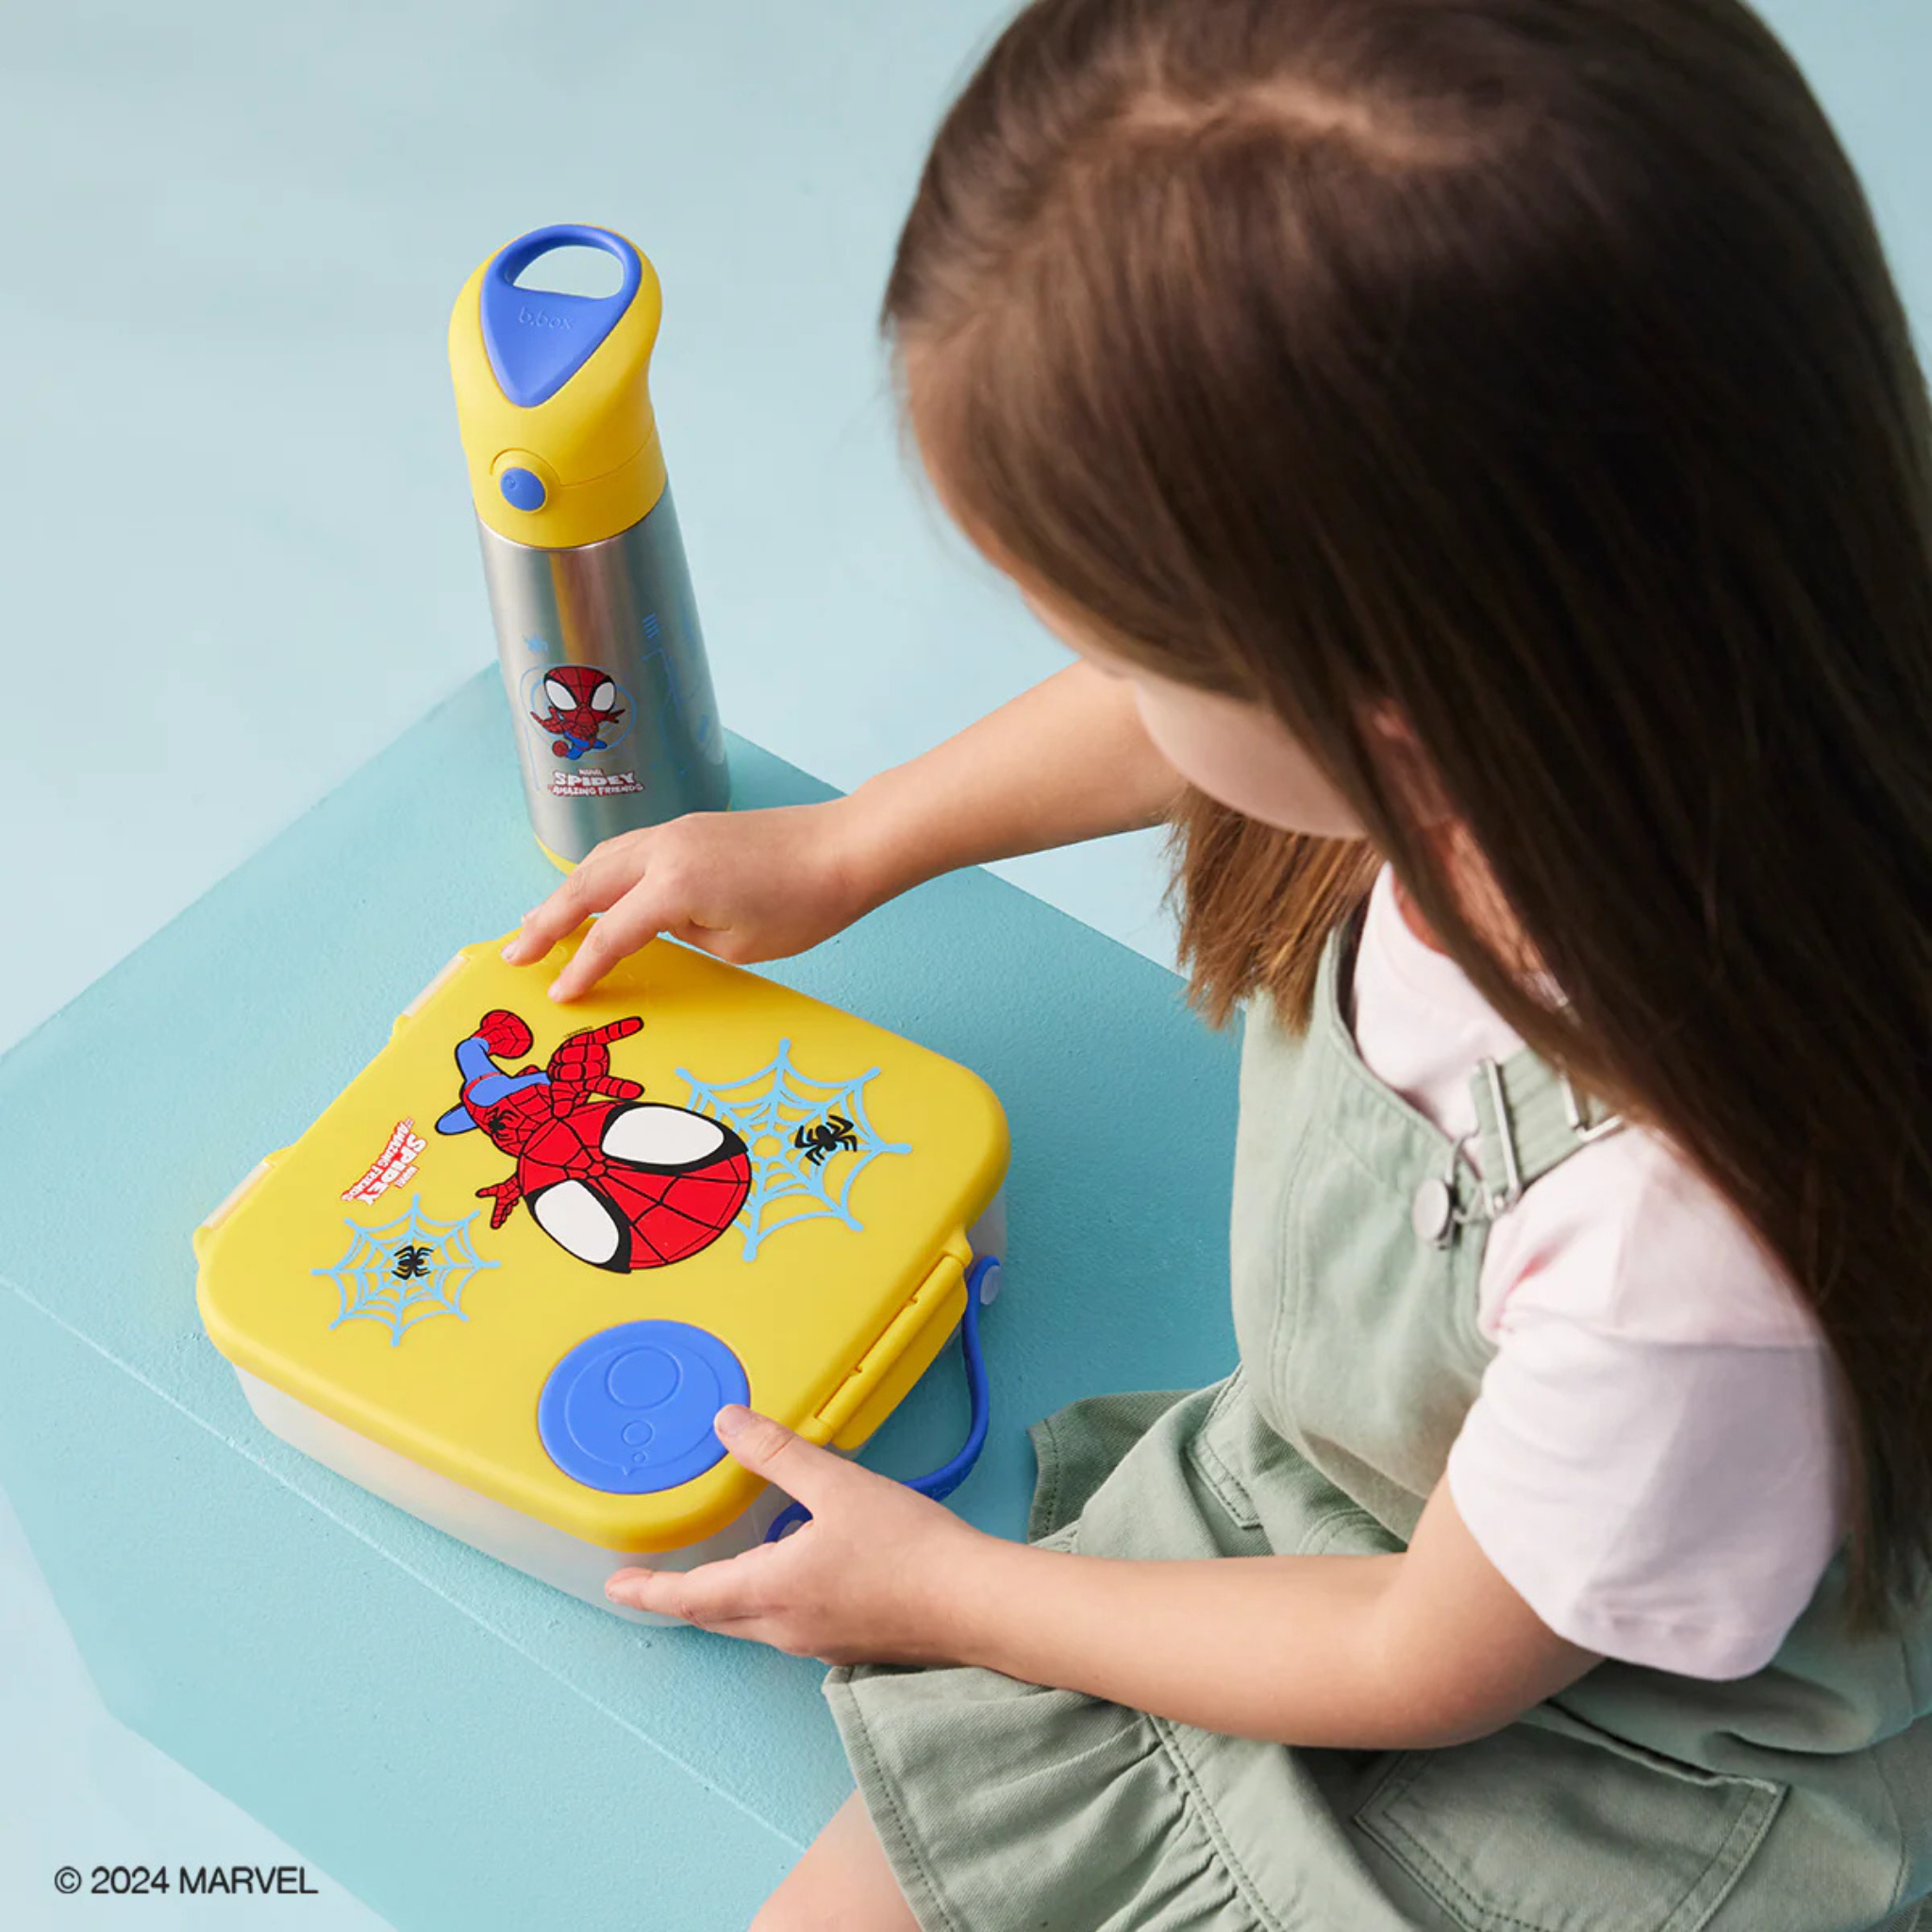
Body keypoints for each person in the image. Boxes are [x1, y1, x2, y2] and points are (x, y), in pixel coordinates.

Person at [503, 1, 1932, 1924]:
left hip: (1585, 1748)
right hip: (1377, 1512)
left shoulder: (1675, 1247)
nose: (1103, 676)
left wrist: (952, 1593)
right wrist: (853, 845)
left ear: (1387, 699)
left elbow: (1419, 1663)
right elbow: (1189, 721)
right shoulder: (1630, 664)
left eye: (1126, 638)